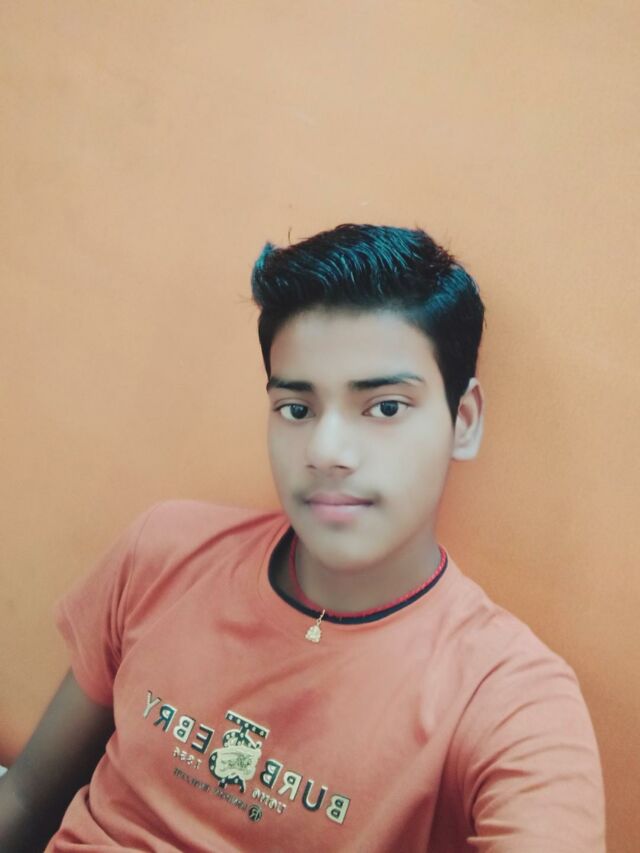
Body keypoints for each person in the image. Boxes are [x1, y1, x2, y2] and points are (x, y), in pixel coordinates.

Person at [0, 224, 605, 851]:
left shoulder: (506, 696)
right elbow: (26, 795)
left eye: (386, 407)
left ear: (464, 421)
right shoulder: (167, 552)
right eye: (297, 409)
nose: (326, 450)